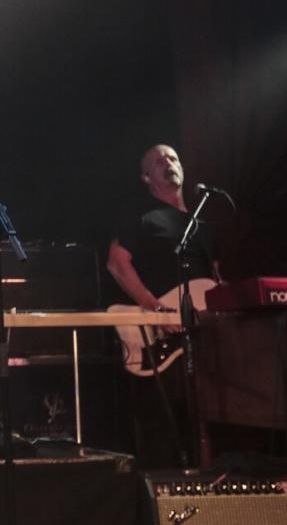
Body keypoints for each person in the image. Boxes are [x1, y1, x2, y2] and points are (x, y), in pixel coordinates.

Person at [105, 143, 218, 468]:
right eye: (158, 161)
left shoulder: (201, 226)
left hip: (198, 339)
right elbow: (117, 265)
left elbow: (212, 280)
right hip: (160, 336)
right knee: (162, 422)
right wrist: (155, 309)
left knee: (201, 419)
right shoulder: (142, 217)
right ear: (146, 177)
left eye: (173, 158)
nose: (168, 163)